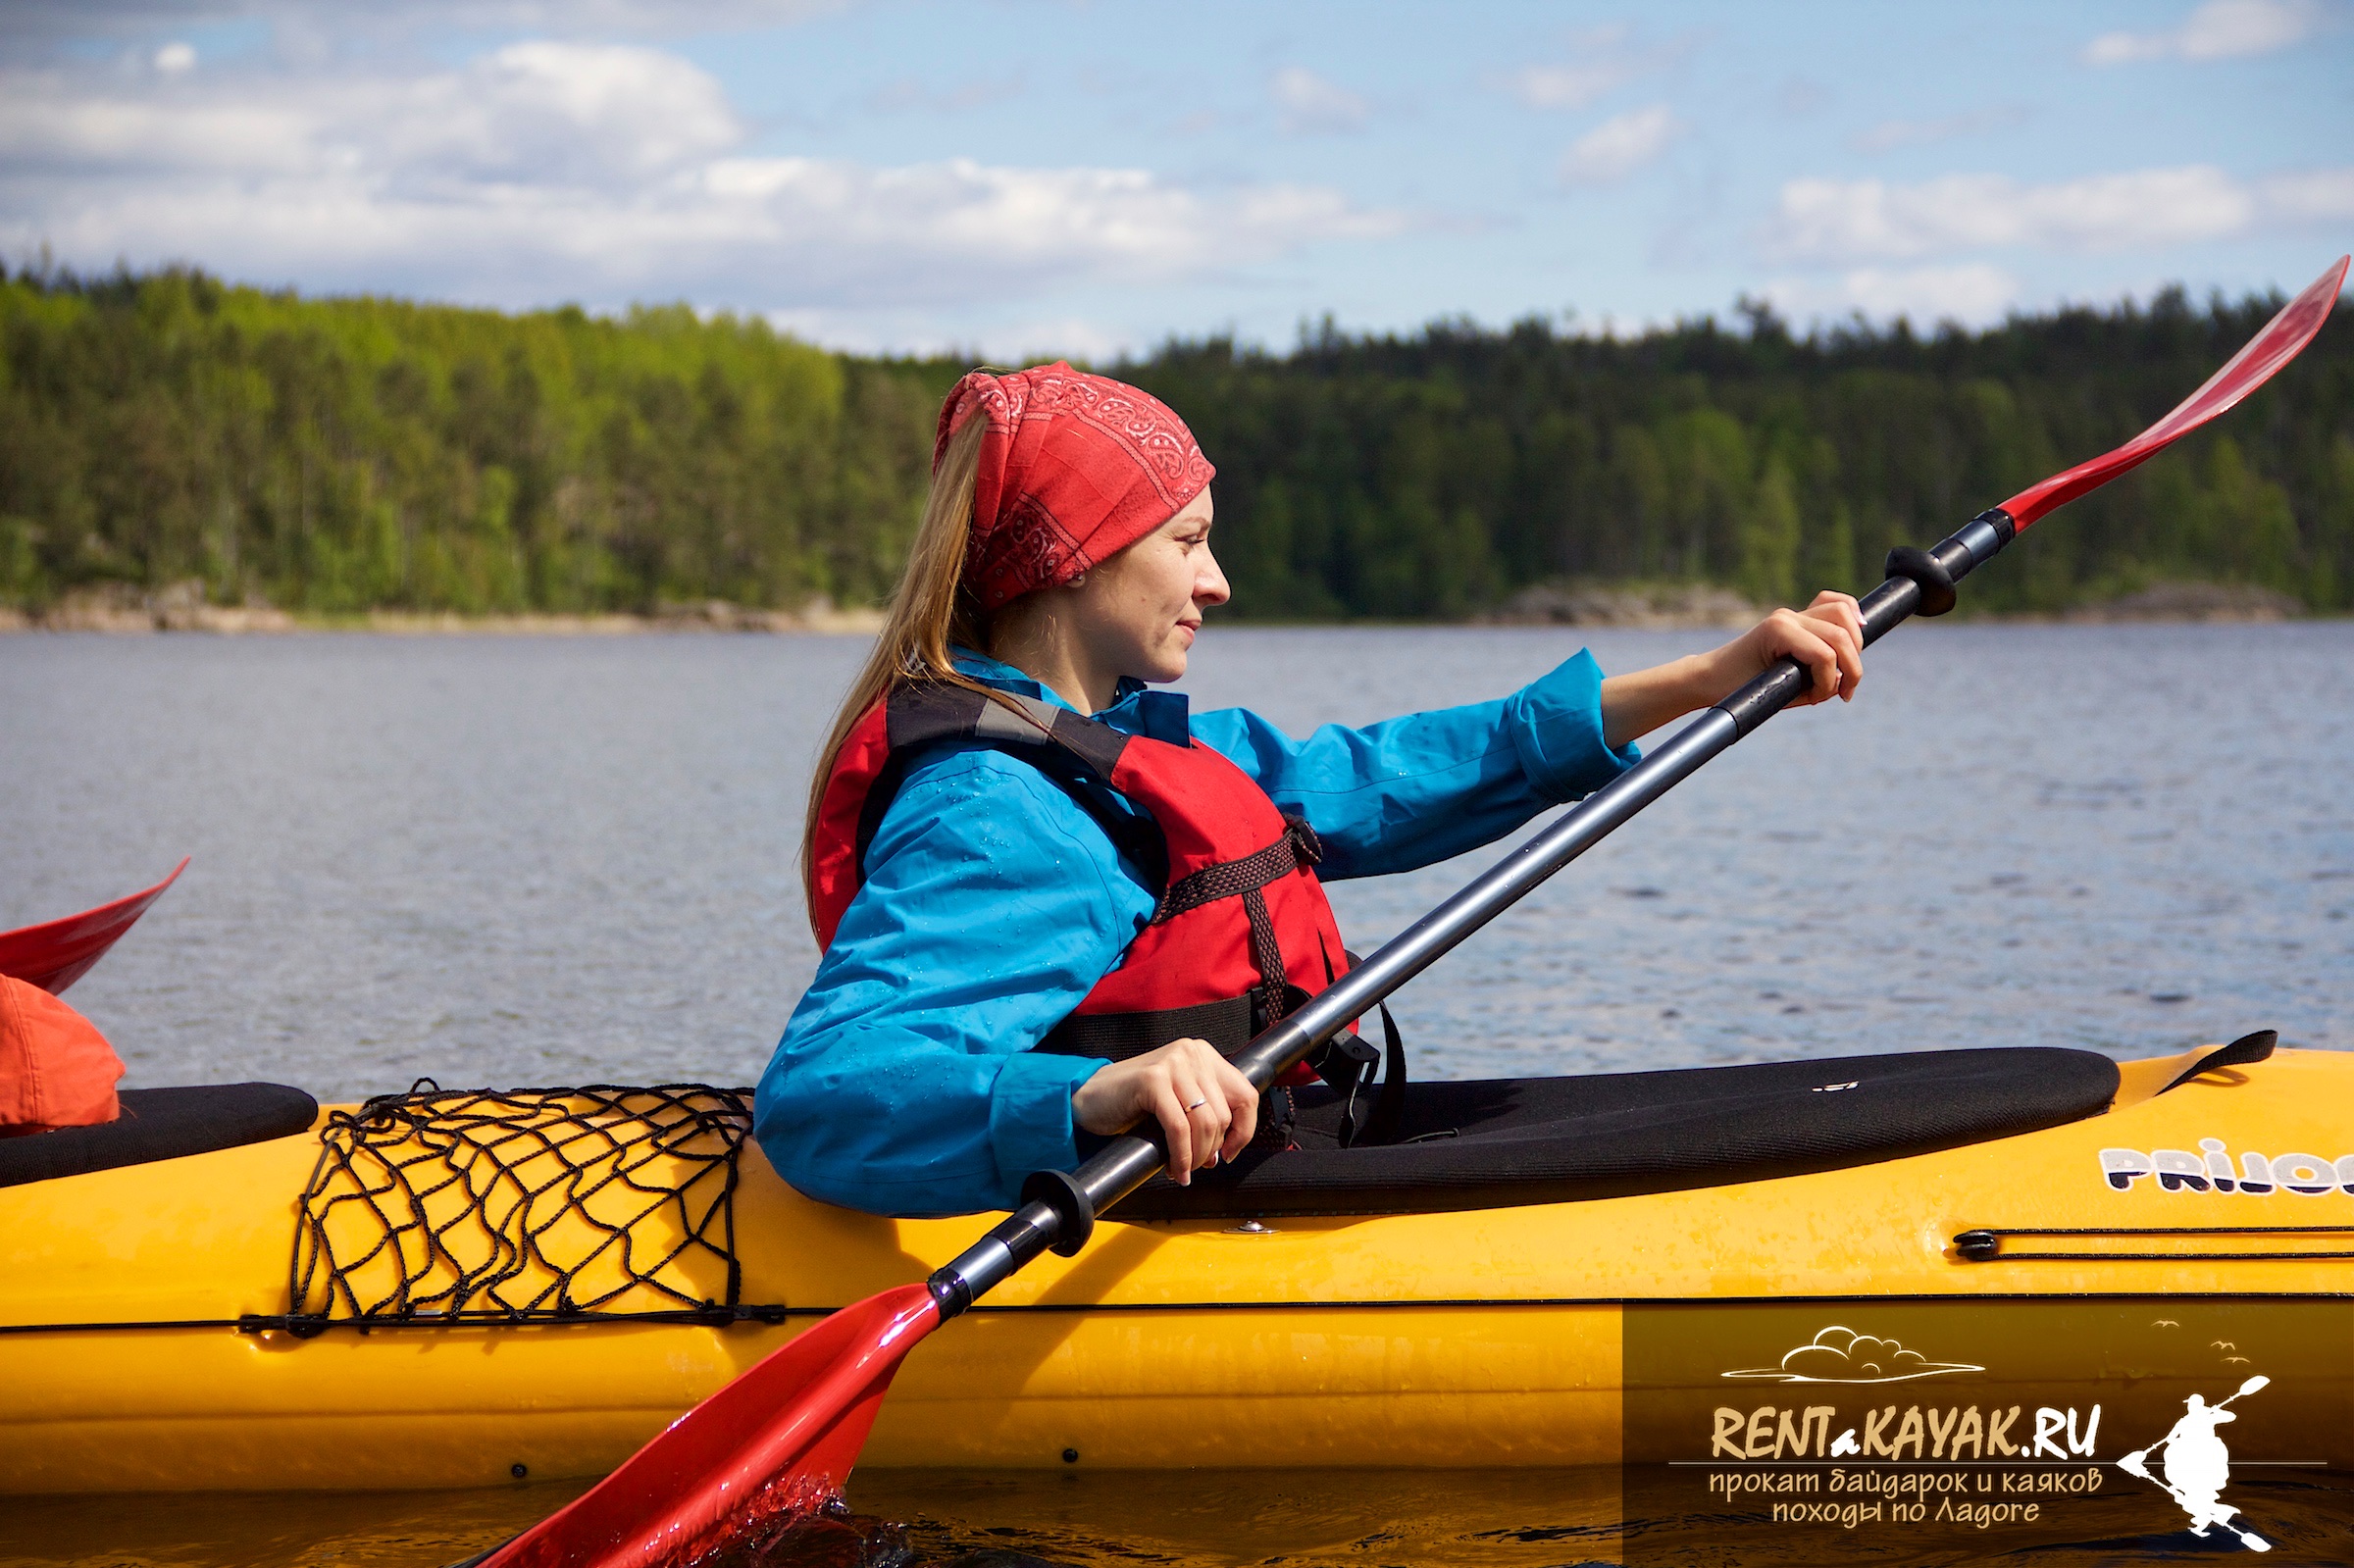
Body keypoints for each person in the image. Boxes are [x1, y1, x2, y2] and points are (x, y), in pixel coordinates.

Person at [753, 363, 1864, 1218]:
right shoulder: (1002, 812)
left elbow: (1389, 773)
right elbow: (824, 1096)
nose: (1216, 580)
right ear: (1073, 558)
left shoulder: (1125, 755)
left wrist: (1709, 680)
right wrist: (1090, 1099)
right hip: (1165, 1225)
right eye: (1187, 541)